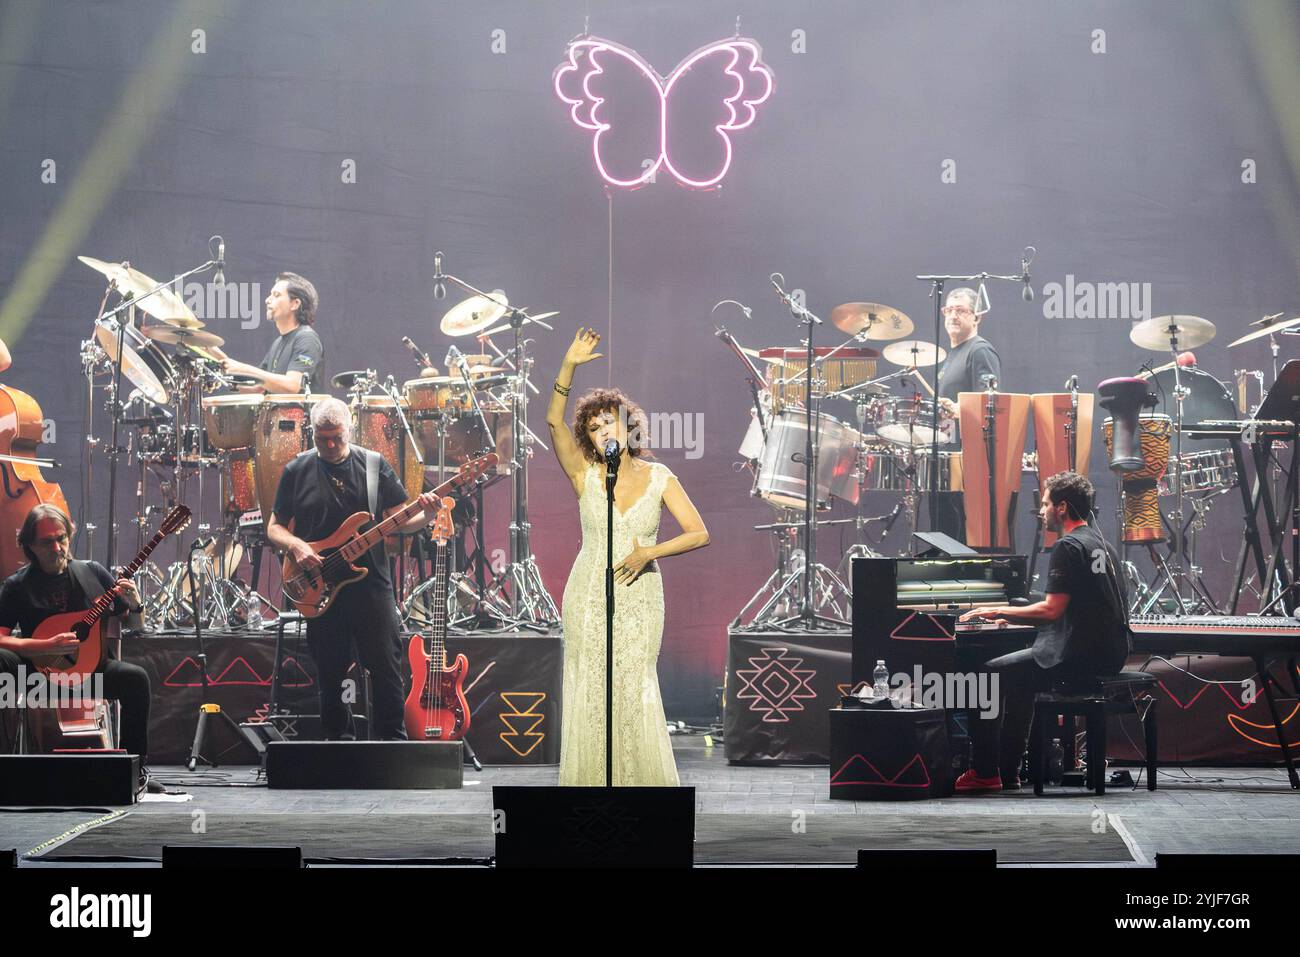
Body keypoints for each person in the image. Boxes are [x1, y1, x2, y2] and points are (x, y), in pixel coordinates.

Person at [546, 328, 709, 786]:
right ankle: (592, 789)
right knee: (592, 689)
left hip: (641, 596)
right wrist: (568, 367)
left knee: (634, 687)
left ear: (628, 425)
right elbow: (554, 423)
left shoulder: (659, 476)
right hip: (589, 596)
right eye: (594, 428)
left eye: (609, 423)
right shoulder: (585, 475)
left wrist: (649, 553)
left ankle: (641, 791)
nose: (602, 432)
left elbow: (699, 533)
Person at [266, 397, 440, 740]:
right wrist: (298, 546)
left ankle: (392, 741)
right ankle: (336, 740)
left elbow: (399, 522)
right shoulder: (296, 470)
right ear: (312, 433)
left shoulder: (375, 466)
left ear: (351, 430)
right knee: (330, 668)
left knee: (386, 664)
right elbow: (274, 526)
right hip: (320, 584)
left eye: (337, 437)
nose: (330, 445)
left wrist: (429, 514)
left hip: (370, 583)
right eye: (322, 438)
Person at [955, 471, 1130, 791]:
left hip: (1077, 656)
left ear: (1062, 508)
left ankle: (983, 771)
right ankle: (1006, 772)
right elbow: (1080, 606)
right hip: (1109, 654)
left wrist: (997, 610)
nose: (1042, 511)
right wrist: (1019, 616)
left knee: (985, 677)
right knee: (1020, 681)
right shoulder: (1102, 544)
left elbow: (1051, 610)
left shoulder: (1067, 545)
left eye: (1046, 504)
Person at [0, 504, 163, 794]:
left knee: (136, 678)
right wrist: (41, 646)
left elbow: (136, 625)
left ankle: (135, 772)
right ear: (29, 545)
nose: (57, 547)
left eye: (61, 538)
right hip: (37, 678)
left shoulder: (92, 573)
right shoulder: (16, 586)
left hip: (91, 675)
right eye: (46, 541)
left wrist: (136, 602)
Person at [932, 287, 1002, 542]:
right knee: (942, 530)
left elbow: (990, 406)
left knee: (958, 534)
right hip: (947, 456)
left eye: (960, 310)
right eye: (948, 309)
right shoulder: (950, 355)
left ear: (977, 317)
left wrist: (955, 408)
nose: (952, 315)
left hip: (967, 464)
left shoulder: (979, 351)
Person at [210, 272, 324, 394]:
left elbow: (292, 385)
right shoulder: (278, 342)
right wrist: (218, 359)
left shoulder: (306, 338)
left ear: (295, 304)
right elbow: (257, 386)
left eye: (276, 295)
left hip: (301, 413)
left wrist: (243, 368)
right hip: (274, 413)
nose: (267, 300)